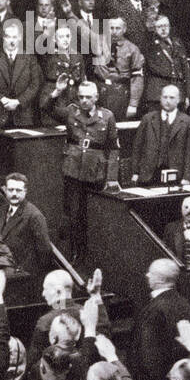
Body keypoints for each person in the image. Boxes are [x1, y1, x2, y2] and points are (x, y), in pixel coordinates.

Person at [59, 81, 121, 263]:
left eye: (88, 97)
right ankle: (74, 255)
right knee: (73, 214)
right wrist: (57, 91)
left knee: (92, 215)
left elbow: (113, 147)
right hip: (73, 170)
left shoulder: (107, 116)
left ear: (96, 98)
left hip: (95, 171)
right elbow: (48, 108)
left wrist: (111, 177)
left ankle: (92, 255)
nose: (84, 101)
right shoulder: (71, 112)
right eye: (81, 97)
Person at [128, 258, 190, 380]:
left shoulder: (153, 310)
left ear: (159, 280)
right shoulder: (185, 304)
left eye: (151, 273)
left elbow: (148, 357)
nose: (147, 275)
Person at [131, 84, 190, 184]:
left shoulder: (188, 122)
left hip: (176, 175)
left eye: (172, 98)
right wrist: (135, 172)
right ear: (160, 98)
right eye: (165, 97)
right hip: (149, 175)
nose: (168, 101)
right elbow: (137, 147)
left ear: (178, 99)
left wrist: (187, 178)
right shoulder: (148, 119)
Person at [0, 21, 41, 128]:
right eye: (8, 37)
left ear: (19, 38)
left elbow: (35, 85)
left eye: (14, 37)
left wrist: (18, 101)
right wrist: (2, 99)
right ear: (3, 38)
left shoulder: (29, 58)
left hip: (23, 116)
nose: (12, 41)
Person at [0, 173, 51, 279]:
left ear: (25, 192)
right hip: (7, 272)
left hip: (24, 277)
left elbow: (45, 250)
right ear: (5, 190)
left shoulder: (34, 216)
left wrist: (30, 274)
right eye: (11, 190)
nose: (14, 194)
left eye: (18, 190)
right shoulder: (4, 209)